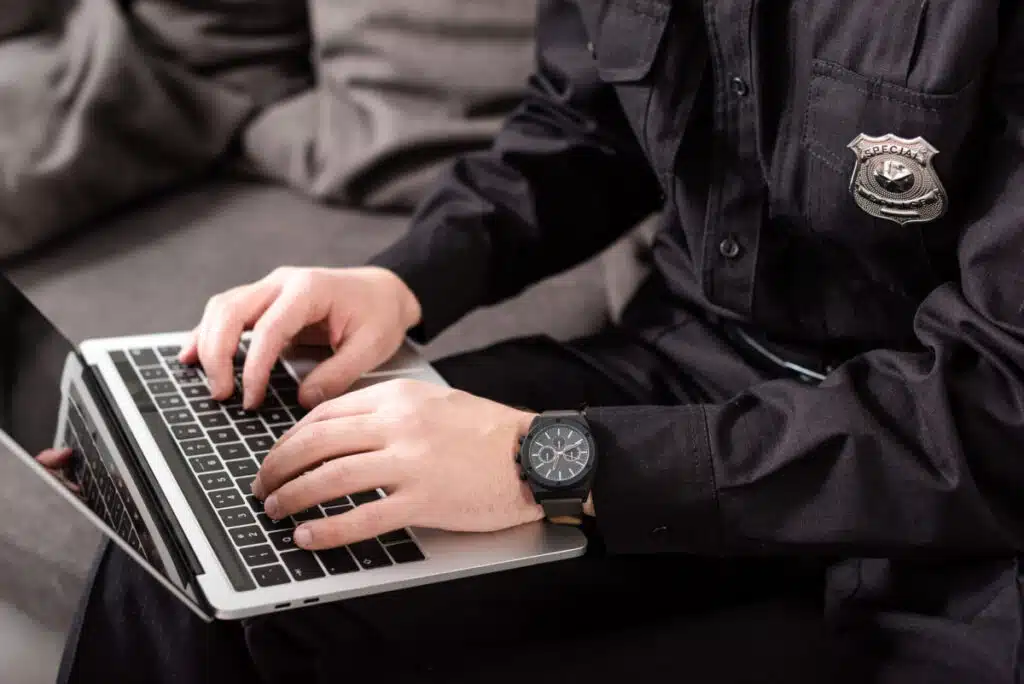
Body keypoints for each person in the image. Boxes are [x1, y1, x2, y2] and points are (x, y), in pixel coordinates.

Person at [59, 0, 1024, 682]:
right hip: (683, 377)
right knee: (192, 556)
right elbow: (585, 123)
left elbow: (994, 406)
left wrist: (548, 463)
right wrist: (400, 280)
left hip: (959, 515)